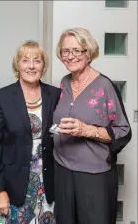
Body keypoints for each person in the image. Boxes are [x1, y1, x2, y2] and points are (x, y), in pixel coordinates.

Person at [53, 28, 132, 224]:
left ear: (88, 53)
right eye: (65, 51)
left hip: (94, 174)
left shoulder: (104, 86)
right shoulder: (64, 83)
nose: (70, 56)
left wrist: (86, 130)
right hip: (62, 169)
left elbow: (123, 131)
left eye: (76, 50)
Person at [0, 40, 61, 224]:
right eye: (26, 60)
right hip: (10, 190)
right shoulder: (1, 97)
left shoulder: (56, 95)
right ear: (17, 65)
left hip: (48, 190)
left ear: (44, 66)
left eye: (37, 60)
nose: (32, 66)